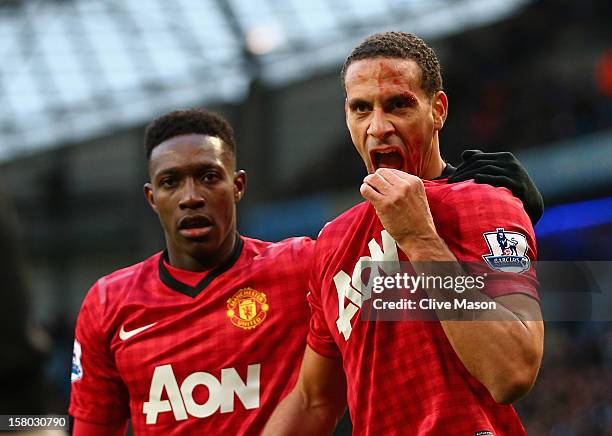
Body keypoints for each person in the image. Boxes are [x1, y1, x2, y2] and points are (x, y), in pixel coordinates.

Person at [68, 107, 541, 434]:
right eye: (171, 182)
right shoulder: (109, 302)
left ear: (238, 186)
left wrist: (470, 194)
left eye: (208, 176)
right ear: (152, 197)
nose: (191, 196)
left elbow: (393, 237)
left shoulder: (303, 265)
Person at [264, 32, 544, 435]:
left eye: (398, 105)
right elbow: (314, 399)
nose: (378, 127)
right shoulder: (333, 242)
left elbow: (512, 371)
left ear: (438, 110)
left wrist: (421, 240)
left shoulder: (485, 204)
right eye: (361, 109)